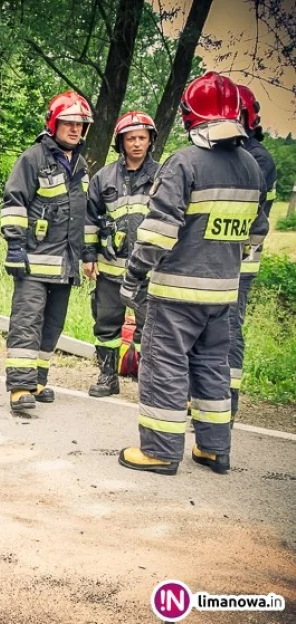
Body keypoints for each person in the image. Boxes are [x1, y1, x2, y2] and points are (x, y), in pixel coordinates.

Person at [118, 72, 264, 476]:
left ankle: (160, 451)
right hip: (223, 295)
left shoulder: (183, 163)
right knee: (212, 366)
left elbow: (157, 235)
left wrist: (133, 276)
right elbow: (256, 233)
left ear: (190, 116)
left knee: (164, 365)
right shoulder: (251, 167)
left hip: (177, 295)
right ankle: (214, 449)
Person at [0, 90, 92, 412]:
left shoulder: (80, 165)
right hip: (33, 262)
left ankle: (37, 380)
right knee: (27, 322)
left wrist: (87, 254)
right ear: (54, 124)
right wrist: (15, 246)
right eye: (68, 123)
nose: (75, 129)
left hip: (65, 265)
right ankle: (19, 387)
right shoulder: (33, 158)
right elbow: (14, 201)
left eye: (80, 124)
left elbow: (83, 215)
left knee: (52, 325)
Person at [82, 111, 159, 397]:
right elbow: (90, 219)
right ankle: (107, 378)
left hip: (148, 272)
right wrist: (88, 256)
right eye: (131, 139)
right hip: (110, 269)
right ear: (121, 142)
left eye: (142, 138)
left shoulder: (163, 176)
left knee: (148, 329)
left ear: (150, 140)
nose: (137, 143)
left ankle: (148, 384)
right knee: (106, 325)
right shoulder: (104, 177)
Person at [229, 84, 274, 421]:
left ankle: (226, 400)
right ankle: (201, 396)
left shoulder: (257, 159)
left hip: (240, 261)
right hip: (212, 261)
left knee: (229, 330)